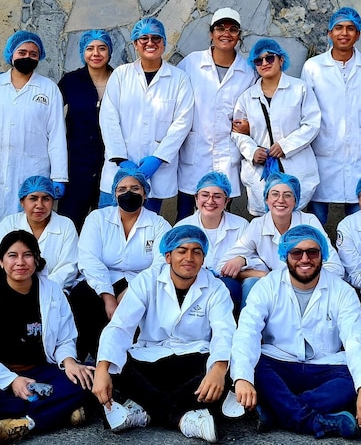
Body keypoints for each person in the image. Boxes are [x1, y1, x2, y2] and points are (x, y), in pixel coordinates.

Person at [0, 230, 93, 445]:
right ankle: (52, 411)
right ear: (1, 261)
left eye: (27, 255)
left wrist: (68, 361)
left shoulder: (52, 292)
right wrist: (12, 381)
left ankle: (23, 421)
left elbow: (65, 338)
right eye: (12, 255)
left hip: (41, 371)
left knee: (89, 379)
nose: (20, 262)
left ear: (37, 260)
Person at [231, 225, 361, 438]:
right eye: (296, 253)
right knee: (253, 367)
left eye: (312, 252)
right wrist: (243, 379)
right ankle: (317, 422)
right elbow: (247, 332)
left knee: (353, 379)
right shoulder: (267, 286)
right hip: (280, 362)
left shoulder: (342, 291)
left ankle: (278, 409)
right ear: (285, 256)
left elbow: (355, 340)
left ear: (322, 256)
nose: (304, 259)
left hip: (324, 366)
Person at [92, 225, 236, 443]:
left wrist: (218, 369)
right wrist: (102, 369)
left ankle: (143, 411)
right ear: (168, 256)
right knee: (113, 366)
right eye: (182, 251)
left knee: (225, 370)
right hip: (150, 360)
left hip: (193, 360)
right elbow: (120, 326)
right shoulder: (146, 280)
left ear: (204, 258)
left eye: (196, 251)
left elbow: (225, 333)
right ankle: (183, 417)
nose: (189, 257)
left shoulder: (216, 288)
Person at [0, 30, 68, 230]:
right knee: (0, 231)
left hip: (34, 168)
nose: (27, 57)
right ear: (11, 54)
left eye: (33, 54)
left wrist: (59, 176)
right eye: (22, 52)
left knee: (32, 226)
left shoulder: (49, 88)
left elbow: (56, 136)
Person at [71, 167, 171, 361]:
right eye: (122, 189)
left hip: (141, 281)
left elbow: (161, 262)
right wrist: (108, 296)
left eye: (135, 188)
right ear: (114, 194)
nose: (128, 193)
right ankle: (89, 359)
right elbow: (89, 258)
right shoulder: (97, 219)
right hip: (101, 279)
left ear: (145, 193)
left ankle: (126, 364)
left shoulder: (159, 224)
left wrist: (134, 288)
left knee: (141, 305)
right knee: (82, 297)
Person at [99, 17, 194, 213]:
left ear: (164, 43)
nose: (150, 43)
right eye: (144, 38)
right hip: (118, 168)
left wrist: (158, 159)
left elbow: (182, 123)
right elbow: (108, 118)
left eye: (156, 38)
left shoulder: (179, 79)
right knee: (109, 225)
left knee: (145, 230)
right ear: (135, 44)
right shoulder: (121, 75)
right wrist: (121, 159)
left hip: (155, 172)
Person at [301, 7, 361, 224]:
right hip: (323, 150)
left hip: (359, 154)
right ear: (329, 33)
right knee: (317, 216)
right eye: (339, 28)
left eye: (350, 28)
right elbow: (306, 110)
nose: (344, 33)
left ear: (358, 34)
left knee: (359, 212)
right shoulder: (313, 67)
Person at [175, 8, 255, 220]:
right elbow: (175, 98)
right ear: (211, 33)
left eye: (232, 29)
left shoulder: (248, 70)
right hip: (195, 152)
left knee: (220, 214)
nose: (226, 33)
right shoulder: (191, 63)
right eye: (220, 28)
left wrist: (250, 126)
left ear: (239, 35)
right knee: (185, 215)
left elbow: (255, 106)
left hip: (226, 153)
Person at [218, 172, 343, 305]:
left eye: (288, 195)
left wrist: (301, 279)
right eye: (275, 194)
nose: (281, 200)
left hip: (307, 286)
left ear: (296, 201)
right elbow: (222, 266)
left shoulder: (309, 222)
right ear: (266, 199)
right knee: (252, 283)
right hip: (272, 289)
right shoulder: (258, 225)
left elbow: (335, 267)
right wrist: (245, 261)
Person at [231, 38, 320, 216]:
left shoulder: (300, 89)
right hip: (260, 170)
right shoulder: (247, 97)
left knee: (294, 219)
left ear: (281, 60)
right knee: (264, 225)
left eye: (269, 58)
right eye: (258, 60)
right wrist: (252, 151)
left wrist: (285, 146)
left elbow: (312, 124)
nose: (264, 63)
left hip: (295, 165)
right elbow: (237, 132)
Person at [56, 30, 115, 230]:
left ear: (110, 51)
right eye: (90, 48)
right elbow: (50, 118)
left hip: (110, 164)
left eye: (102, 48)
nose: (95, 53)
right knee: (70, 224)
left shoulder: (121, 80)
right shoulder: (70, 82)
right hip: (76, 165)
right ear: (83, 52)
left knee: (106, 225)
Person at [0, 176, 79, 293]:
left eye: (46, 199)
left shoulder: (66, 226)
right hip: (9, 289)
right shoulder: (9, 223)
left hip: (53, 291)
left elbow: (68, 267)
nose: (39, 205)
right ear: (22, 202)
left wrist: (38, 290)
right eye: (33, 199)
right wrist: (12, 287)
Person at [175, 171, 249, 312]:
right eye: (205, 195)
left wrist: (243, 259)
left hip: (229, 287)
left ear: (227, 201)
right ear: (196, 198)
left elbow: (256, 259)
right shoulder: (182, 227)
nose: (210, 201)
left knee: (227, 288)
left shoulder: (242, 226)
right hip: (191, 283)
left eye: (217, 196)